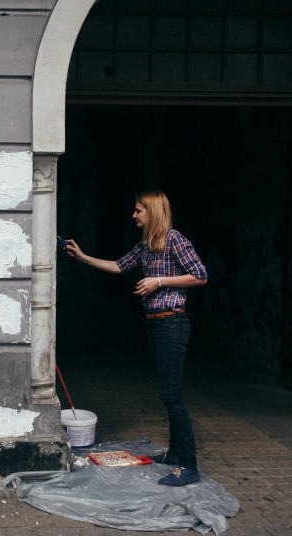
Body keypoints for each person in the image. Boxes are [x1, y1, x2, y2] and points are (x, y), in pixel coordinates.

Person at [64, 190, 208, 487]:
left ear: (152, 212)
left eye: (138, 210)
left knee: (172, 393)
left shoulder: (175, 240)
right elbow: (118, 266)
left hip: (173, 323)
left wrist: (158, 281)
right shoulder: (146, 246)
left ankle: (189, 465)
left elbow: (201, 275)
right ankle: (174, 453)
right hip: (154, 324)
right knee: (167, 391)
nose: (134, 215)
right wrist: (82, 257)